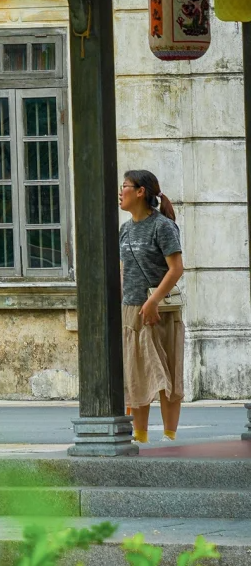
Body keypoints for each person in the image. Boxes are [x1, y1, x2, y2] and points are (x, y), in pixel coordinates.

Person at [119, 169, 184, 443]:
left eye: (124, 186)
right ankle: (140, 435)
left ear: (140, 191)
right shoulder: (125, 229)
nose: (120, 192)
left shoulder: (162, 226)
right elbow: (123, 270)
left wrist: (153, 300)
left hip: (160, 311)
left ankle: (169, 437)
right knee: (136, 373)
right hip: (131, 310)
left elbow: (176, 269)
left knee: (167, 372)